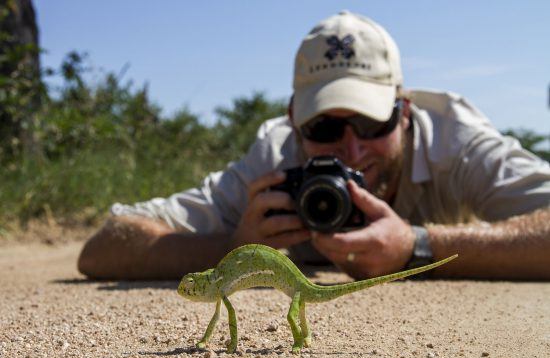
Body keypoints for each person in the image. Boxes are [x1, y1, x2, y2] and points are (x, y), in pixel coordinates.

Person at [78, 11, 550, 281]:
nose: (351, 150)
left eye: (370, 123)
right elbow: (104, 247)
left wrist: (418, 245)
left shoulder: (453, 137)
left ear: (404, 112)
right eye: (323, 127)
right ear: (293, 122)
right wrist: (232, 247)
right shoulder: (274, 157)